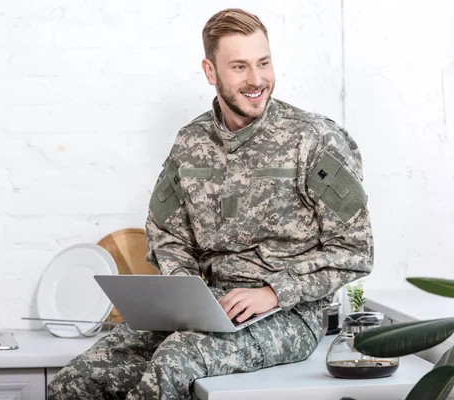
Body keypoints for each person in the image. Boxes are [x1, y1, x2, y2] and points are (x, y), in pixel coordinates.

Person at [48, 7, 373, 400]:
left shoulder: (314, 139)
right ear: (210, 72)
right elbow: (166, 232)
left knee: (174, 362)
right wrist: (184, 290)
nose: (257, 80)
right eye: (239, 67)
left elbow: (355, 251)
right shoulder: (190, 143)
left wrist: (273, 291)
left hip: (289, 314)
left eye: (264, 63)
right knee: (76, 381)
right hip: (202, 306)